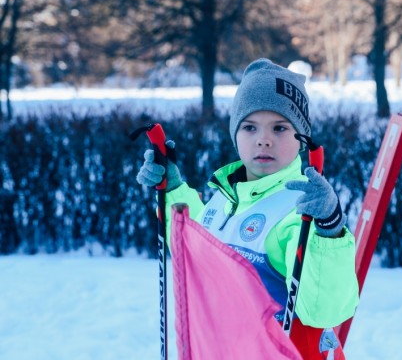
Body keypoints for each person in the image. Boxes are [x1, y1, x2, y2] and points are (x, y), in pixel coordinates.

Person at [136, 58, 359, 359]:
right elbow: (198, 255)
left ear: (302, 140)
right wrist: (173, 189)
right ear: (236, 135)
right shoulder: (226, 196)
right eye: (250, 127)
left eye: (280, 128)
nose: (263, 140)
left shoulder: (300, 209)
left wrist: (328, 230)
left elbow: (324, 311)